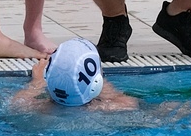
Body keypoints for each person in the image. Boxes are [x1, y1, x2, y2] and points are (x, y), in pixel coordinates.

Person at [8, 38, 139, 113]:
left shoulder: (36, 109)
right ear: (97, 83)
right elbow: (126, 101)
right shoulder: (118, 107)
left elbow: (17, 103)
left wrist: (37, 82)